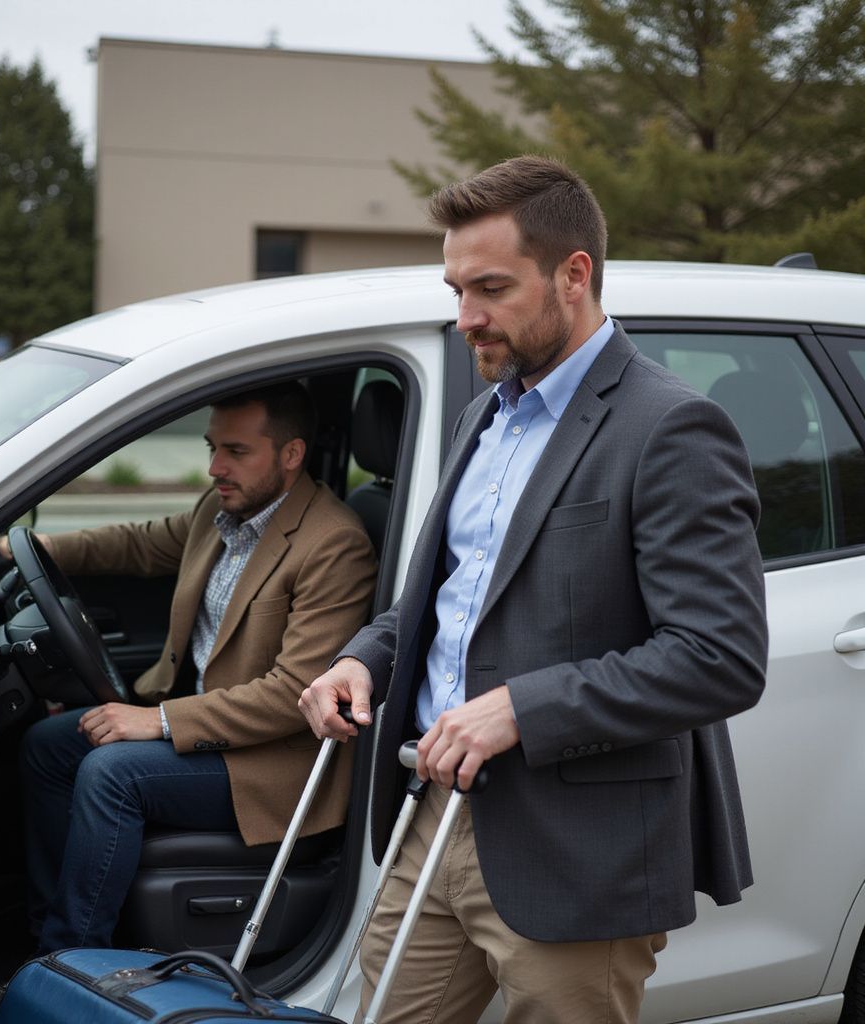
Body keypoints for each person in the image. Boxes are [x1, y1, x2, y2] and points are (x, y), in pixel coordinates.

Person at [298, 157, 768, 1023]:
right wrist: (361, 661)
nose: (465, 318)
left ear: (574, 275)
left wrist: (521, 708)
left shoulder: (671, 428)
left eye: (490, 288)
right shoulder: (488, 411)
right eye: (456, 290)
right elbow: (449, 601)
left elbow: (719, 660)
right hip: (433, 816)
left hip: (576, 852)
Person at [13, 381, 377, 953]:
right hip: (212, 729)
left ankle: (71, 956)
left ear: (290, 455)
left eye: (235, 452)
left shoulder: (334, 544)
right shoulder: (225, 508)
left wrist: (157, 719)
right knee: (47, 744)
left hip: (271, 760)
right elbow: (141, 544)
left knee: (113, 773)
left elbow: (293, 694)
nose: (214, 467)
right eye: (212, 447)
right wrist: (32, 548)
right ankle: (45, 931)